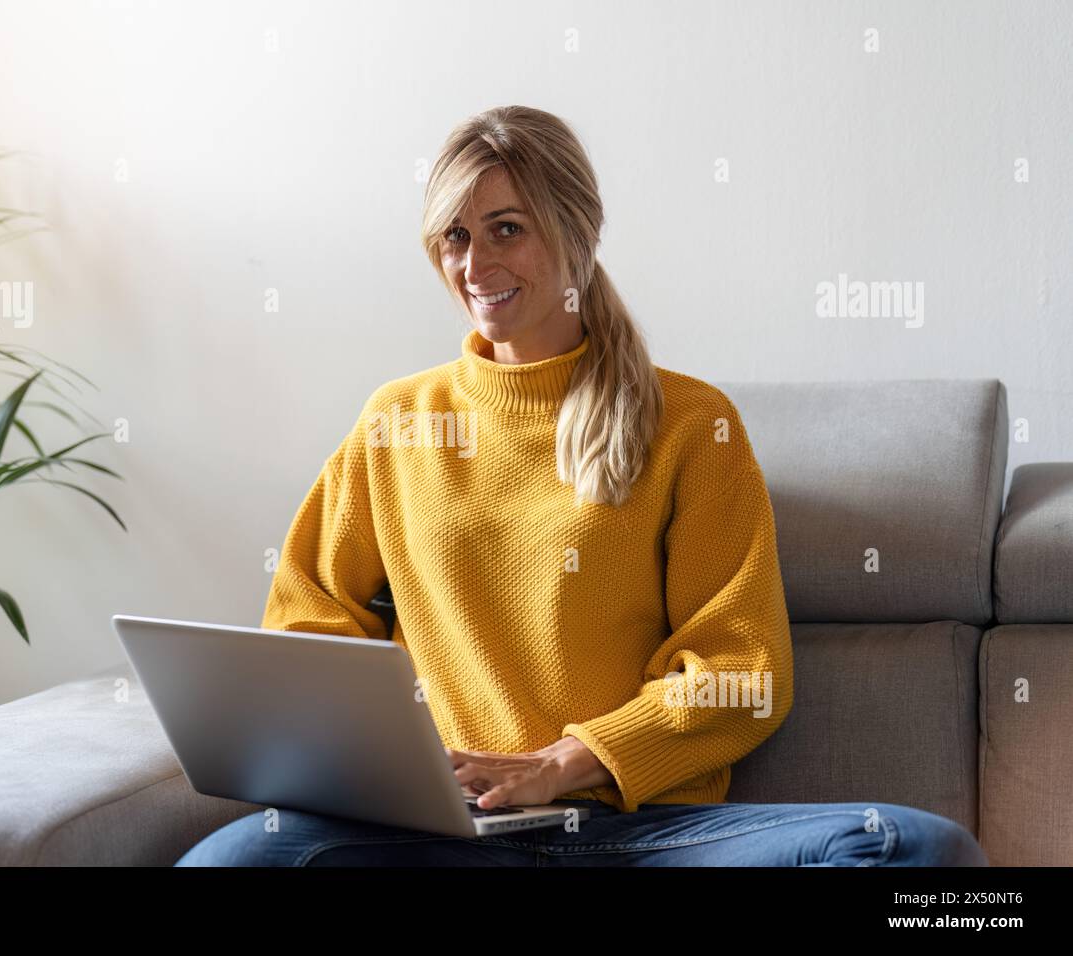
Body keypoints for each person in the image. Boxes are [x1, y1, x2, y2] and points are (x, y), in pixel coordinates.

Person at [176, 105, 987, 867]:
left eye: (506, 229)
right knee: (228, 860)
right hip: (441, 832)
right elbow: (307, 630)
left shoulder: (692, 424)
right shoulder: (397, 421)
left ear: (578, 234)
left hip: (641, 834)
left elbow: (745, 672)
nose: (474, 263)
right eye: (455, 235)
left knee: (910, 850)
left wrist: (563, 764)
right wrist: (397, 769)